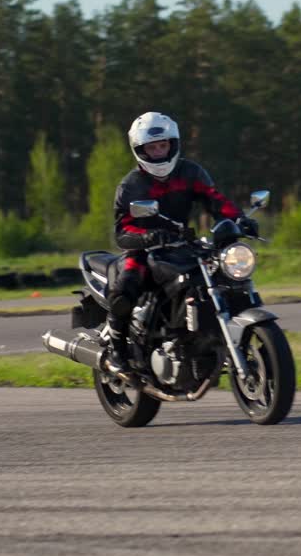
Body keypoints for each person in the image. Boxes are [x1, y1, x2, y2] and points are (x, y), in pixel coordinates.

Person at [102, 111, 258, 375]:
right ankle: (116, 348)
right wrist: (148, 237)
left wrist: (239, 219)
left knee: (224, 276)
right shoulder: (131, 185)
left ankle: (208, 336)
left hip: (183, 244)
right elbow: (122, 232)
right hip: (143, 249)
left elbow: (215, 200)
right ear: (141, 150)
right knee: (127, 283)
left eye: (163, 145)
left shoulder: (190, 172)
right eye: (152, 147)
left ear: (173, 145)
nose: (159, 152)